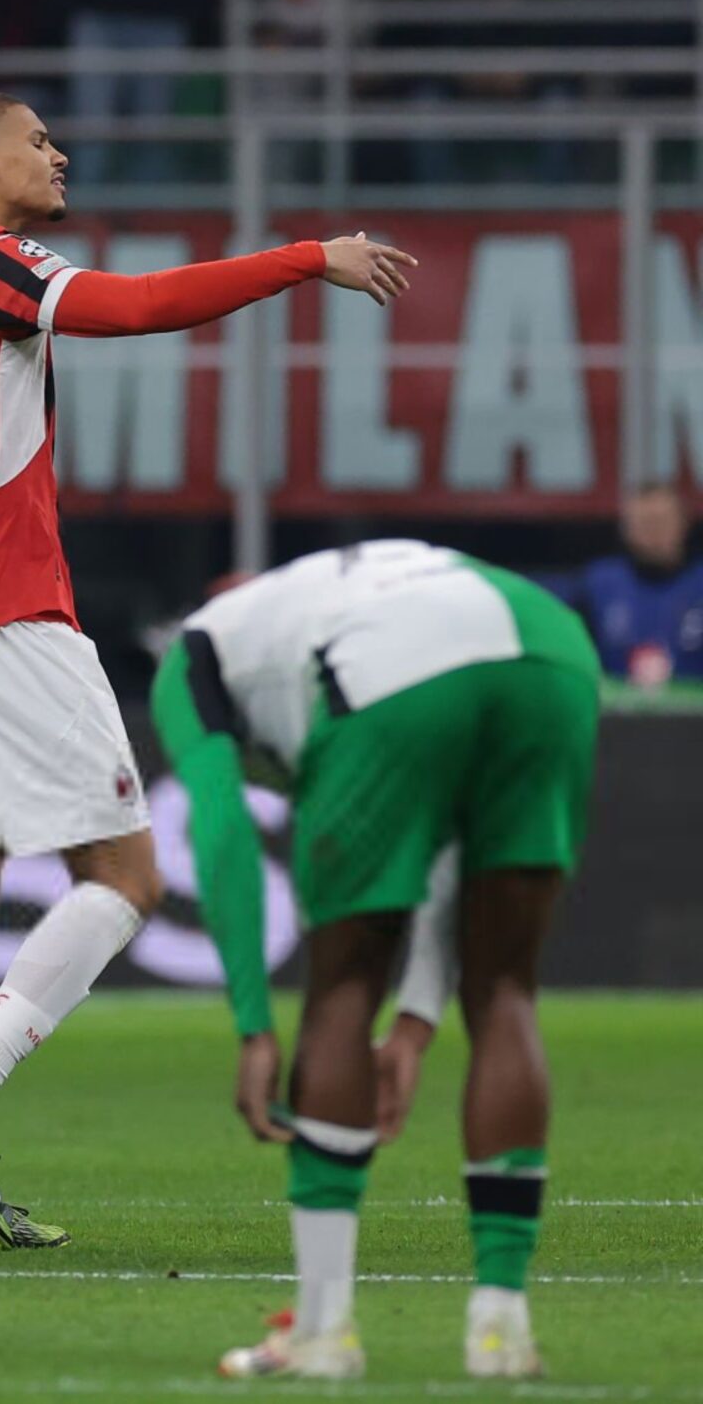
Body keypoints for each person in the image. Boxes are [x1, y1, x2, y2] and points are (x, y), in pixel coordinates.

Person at [0, 92, 412, 1247]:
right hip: (1, 610)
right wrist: (309, 257)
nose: (59, 154)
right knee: (127, 873)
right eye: (39, 140)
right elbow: (136, 303)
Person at [151, 541, 597, 1380]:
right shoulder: (340, 588)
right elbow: (443, 849)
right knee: (507, 989)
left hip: (389, 672)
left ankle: (323, 1331)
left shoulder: (194, 655)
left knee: (344, 985)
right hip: (552, 647)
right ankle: (501, 1329)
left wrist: (253, 1026)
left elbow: (219, 831)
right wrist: (420, 1022)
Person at [543, 482, 703, 687]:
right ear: (626, 529)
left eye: (661, 521)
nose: (654, 532)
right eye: (644, 523)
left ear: (683, 523)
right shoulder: (595, 584)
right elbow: (568, 657)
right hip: (614, 714)